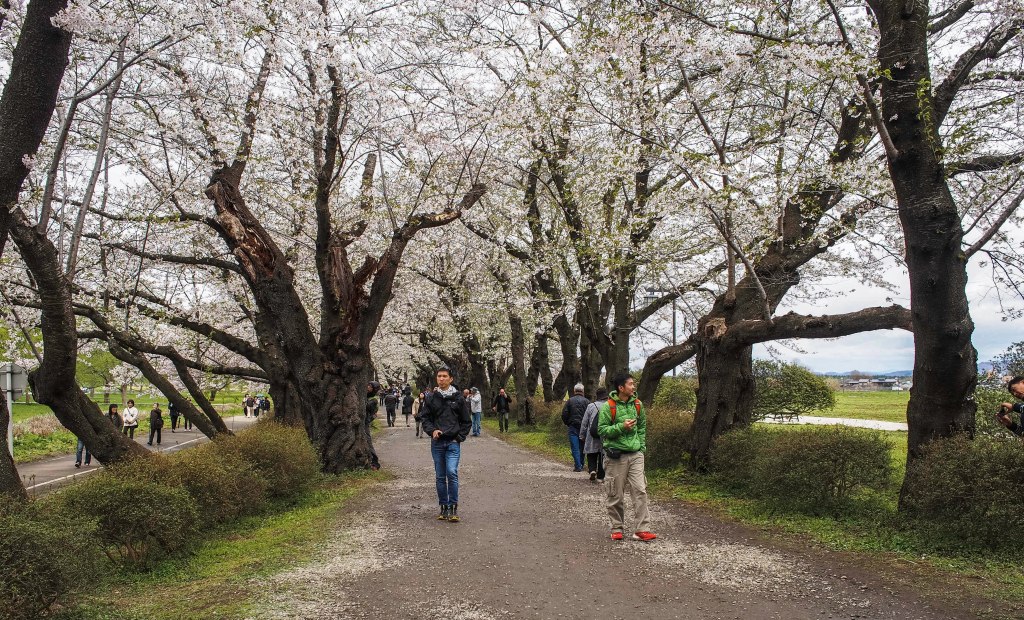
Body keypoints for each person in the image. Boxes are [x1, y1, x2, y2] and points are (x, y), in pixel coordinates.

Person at [598, 373, 656, 542]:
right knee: (616, 493)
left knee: (640, 490)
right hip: (616, 456)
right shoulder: (609, 406)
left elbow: (642, 426)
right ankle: (617, 527)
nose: (633, 386)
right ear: (621, 388)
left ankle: (642, 529)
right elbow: (602, 430)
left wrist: (641, 447)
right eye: (630, 384)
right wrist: (621, 427)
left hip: (636, 454)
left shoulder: (637, 404)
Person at [421, 366, 471, 522]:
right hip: (437, 443)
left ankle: (453, 506)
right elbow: (425, 418)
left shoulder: (458, 398)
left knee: (452, 472)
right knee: (440, 476)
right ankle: (443, 506)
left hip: (453, 442)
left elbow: (466, 421)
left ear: (451, 379)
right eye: (439, 376)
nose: (441, 379)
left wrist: (459, 437)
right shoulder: (431, 398)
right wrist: (432, 431)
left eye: (444, 376)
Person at [579, 386, 609, 483]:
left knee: (591, 453)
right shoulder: (610, 405)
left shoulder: (591, 406)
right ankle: (600, 476)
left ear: (597, 396)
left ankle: (592, 470)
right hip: (605, 434)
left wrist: (582, 435)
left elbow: (584, 422)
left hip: (591, 434)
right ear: (606, 396)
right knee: (602, 454)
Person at [561, 383, 589, 472]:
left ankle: (578, 466)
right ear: (583, 391)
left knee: (575, 447)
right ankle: (581, 463)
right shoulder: (587, 402)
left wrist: (567, 423)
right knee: (582, 447)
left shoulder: (569, 401)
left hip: (573, 426)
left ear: (574, 391)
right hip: (584, 428)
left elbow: (564, 414)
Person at [365, 381, 382, 470]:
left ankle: (375, 463)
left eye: (370, 386)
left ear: (374, 389)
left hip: (365, 422)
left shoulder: (373, 400)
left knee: (368, 441)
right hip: (365, 421)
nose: (368, 387)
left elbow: (367, 407)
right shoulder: (366, 396)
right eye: (368, 385)